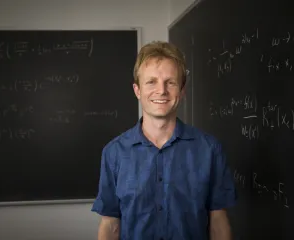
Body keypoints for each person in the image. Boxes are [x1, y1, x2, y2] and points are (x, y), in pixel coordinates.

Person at [91, 41, 237, 240]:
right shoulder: (114, 153)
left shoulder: (210, 150)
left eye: (171, 82)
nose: (161, 91)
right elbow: (110, 224)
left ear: (182, 91)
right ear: (137, 90)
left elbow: (218, 221)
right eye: (151, 82)